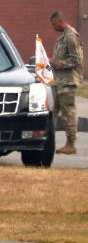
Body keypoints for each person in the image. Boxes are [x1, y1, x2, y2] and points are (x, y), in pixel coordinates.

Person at [50, 11, 83, 154]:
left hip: (68, 82)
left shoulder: (70, 36)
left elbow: (77, 60)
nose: (53, 28)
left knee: (69, 111)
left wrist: (58, 63)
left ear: (60, 21)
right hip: (59, 81)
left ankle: (71, 144)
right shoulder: (63, 36)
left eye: (54, 25)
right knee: (53, 110)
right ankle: (48, 140)